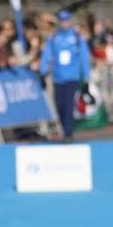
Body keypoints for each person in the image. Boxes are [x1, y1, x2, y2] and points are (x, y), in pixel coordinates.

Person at [39, 9, 91, 142]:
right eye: (62, 21)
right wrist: (43, 71)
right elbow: (47, 55)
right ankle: (65, 127)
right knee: (59, 105)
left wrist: (86, 76)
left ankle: (68, 133)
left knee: (68, 105)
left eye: (67, 21)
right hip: (58, 77)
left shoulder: (77, 38)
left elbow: (84, 57)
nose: (64, 23)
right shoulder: (54, 37)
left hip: (72, 77)